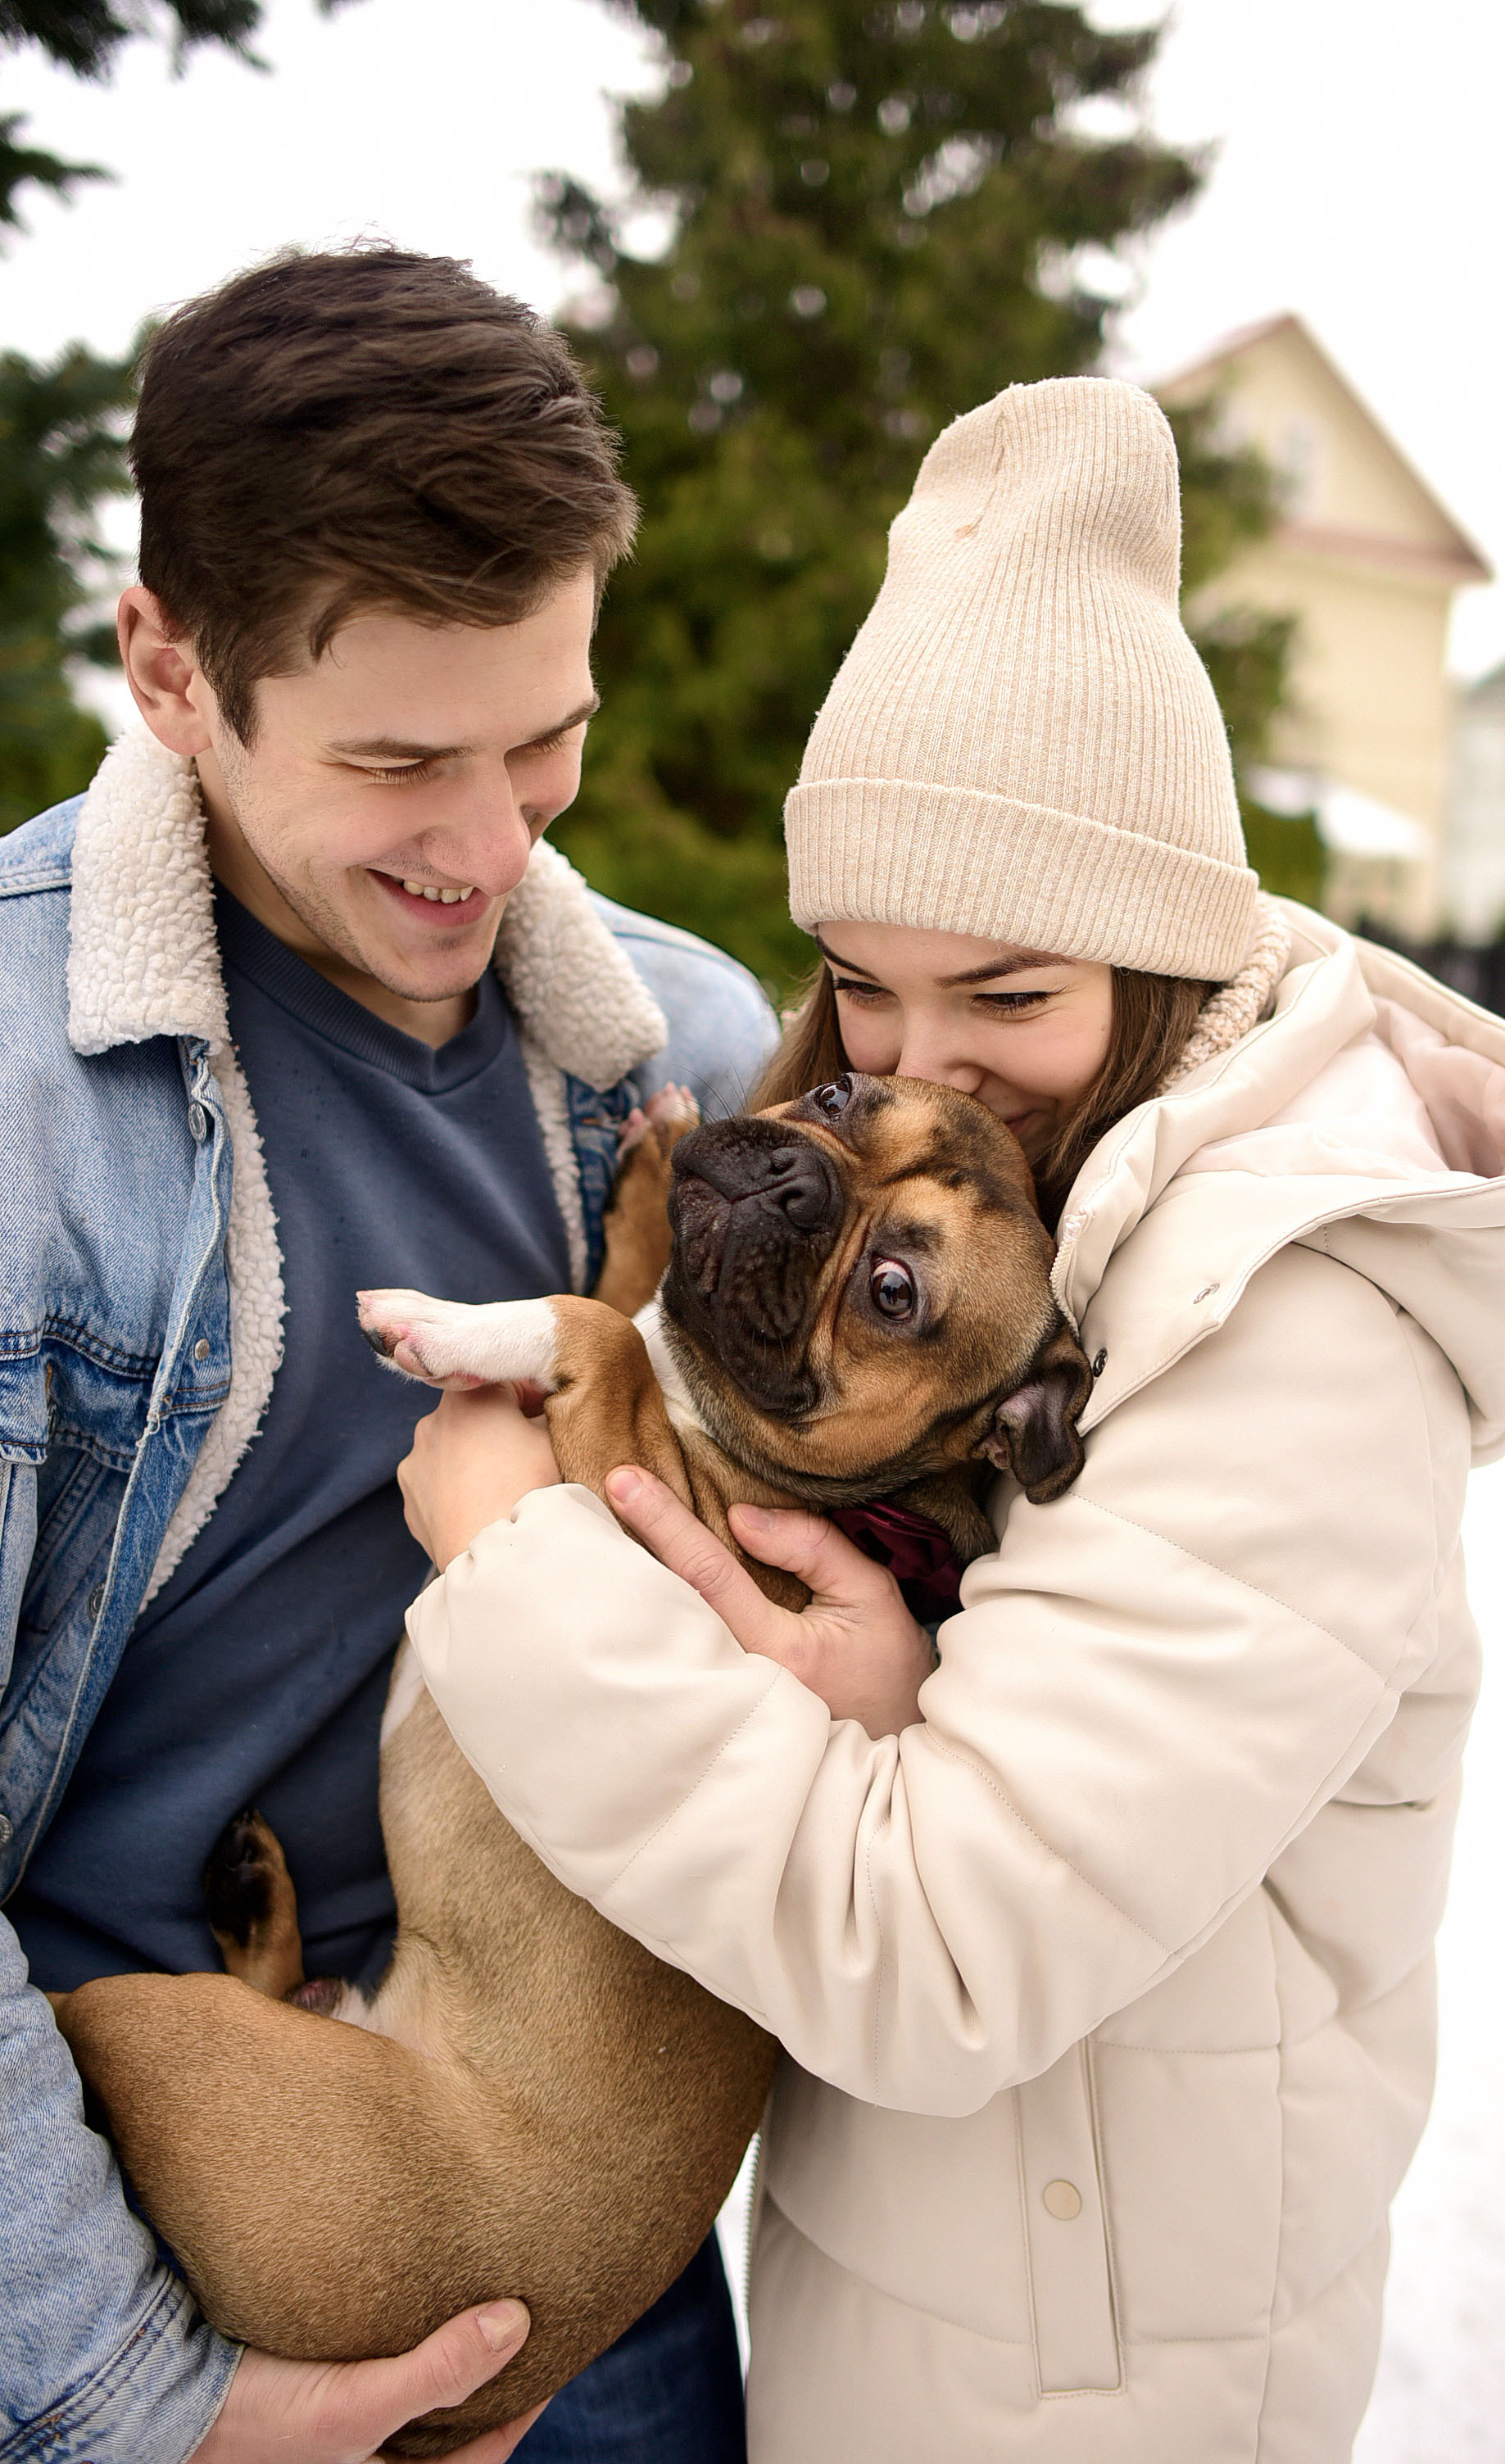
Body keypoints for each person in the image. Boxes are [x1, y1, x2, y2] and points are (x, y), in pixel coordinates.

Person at [396, 378, 1505, 2463]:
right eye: (861, 989)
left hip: (1093, 2383)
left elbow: (940, 1950)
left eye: (1010, 993)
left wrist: (509, 1557)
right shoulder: (1051, 1208)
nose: (920, 1058)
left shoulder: (1290, 1326)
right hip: (954, 2292)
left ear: (1153, 951)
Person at [0, 248, 774, 2464]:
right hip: (125, 2234)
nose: (490, 843)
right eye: (399, 761)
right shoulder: (21, 1109)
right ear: (170, 666)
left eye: (548, 743)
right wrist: (150, 2403)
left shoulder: (684, 1066)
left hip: (592, 2236)